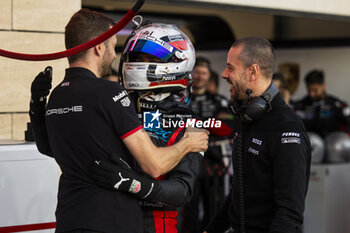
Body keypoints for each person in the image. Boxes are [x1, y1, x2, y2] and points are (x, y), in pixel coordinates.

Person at [29, 9, 208, 233]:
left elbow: (182, 192)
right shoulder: (114, 100)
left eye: (151, 59)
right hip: (113, 219)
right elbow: (65, 148)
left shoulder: (189, 123)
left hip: (154, 225)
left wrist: (134, 185)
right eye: (138, 57)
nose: (140, 63)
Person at [204, 37, 311, 233]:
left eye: (230, 67)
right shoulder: (247, 117)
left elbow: (289, 212)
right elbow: (240, 191)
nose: (224, 74)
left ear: (252, 71)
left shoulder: (286, 129)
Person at [181, 57, 232, 233]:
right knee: (189, 210)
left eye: (204, 73)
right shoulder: (181, 99)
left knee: (215, 209)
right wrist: (211, 122)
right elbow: (175, 126)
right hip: (187, 160)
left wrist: (194, 122)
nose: (200, 76)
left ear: (209, 76)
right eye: (197, 72)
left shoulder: (220, 100)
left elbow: (227, 128)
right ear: (191, 74)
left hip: (214, 163)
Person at [293, 69, 350, 138]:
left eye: (315, 90)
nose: (312, 94)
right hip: (309, 145)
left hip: (333, 145)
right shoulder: (300, 106)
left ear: (323, 85)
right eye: (309, 90)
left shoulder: (337, 105)